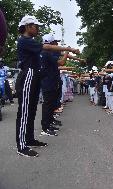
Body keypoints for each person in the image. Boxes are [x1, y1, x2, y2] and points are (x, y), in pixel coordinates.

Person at [16, 15, 80, 157]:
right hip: (27, 76)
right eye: (35, 26)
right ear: (27, 27)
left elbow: (51, 51)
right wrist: (68, 48)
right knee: (25, 112)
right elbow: (46, 47)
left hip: (35, 76)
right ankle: (21, 145)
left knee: (31, 111)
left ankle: (30, 139)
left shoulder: (30, 42)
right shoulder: (24, 41)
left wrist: (71, 54)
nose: (38, 29)